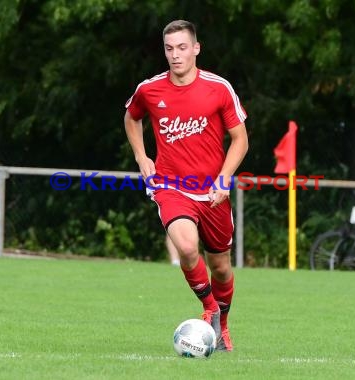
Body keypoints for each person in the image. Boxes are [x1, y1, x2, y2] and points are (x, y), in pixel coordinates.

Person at [124, 19, 248, 352]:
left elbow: (240, 140)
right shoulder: (149, 90)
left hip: (212, 192)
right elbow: (131, 117)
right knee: (188, 247)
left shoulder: (218, 88)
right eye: (169, 49)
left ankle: (222, 323)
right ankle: (209, 308)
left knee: (221, 267)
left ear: (196, 48)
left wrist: (224, 177)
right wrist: (141, 156)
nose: (176, 55)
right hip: (170, 185)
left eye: (182, 47)